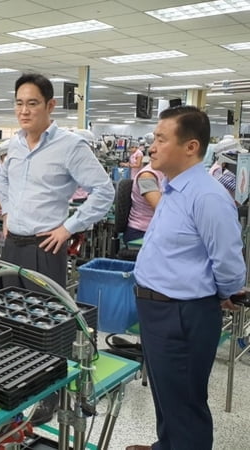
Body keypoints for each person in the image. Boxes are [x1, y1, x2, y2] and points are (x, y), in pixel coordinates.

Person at [129, 106, 246, 450]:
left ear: (191, 146)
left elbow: (230, 263)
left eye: (161, 139)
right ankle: (166, 445)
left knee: (185, 403)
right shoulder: (173, 187)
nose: (152, 146)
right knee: (168, 393)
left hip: (182, 314)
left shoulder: (208, 196)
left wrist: (223, 292)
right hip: (158, 310)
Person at [0, 73, 114, 290]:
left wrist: (69, 228)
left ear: (50, 105)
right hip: (12, 246)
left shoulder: (71, 146)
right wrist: (6, 213)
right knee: (12, 314)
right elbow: (4, 179)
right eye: (19, 103)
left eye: (32, 103)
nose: (24, 111)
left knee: (44, 317)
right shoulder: (15, 144)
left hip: (45, 248)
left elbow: (104, 191)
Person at [123, 163, 165, 242]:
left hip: (159, 230)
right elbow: (161, 209)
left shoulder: (169, 173)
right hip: (142, 233)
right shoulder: (147, 176)